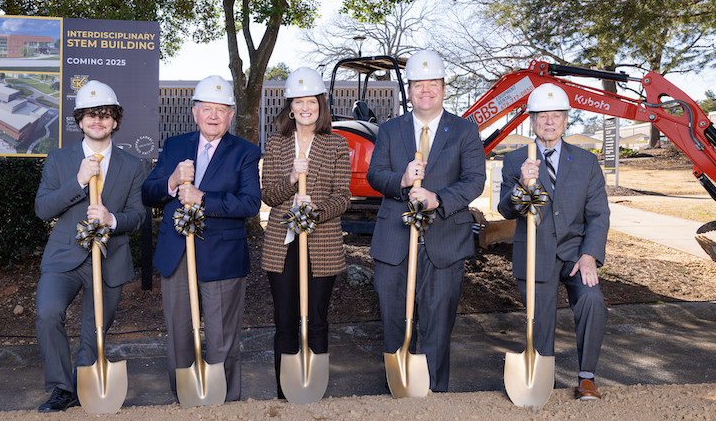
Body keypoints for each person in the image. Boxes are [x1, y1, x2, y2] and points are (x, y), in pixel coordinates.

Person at [367, 49, 487, 393]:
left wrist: (438, 198)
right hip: (395, 243)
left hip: (444, 244)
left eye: (432, 84)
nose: (425, 91)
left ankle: (435, 395)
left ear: (444, 88)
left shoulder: (464, 130)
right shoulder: (390, 130)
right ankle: (399, 387)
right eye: (418, 85)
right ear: (408, 91)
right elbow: (376, 175)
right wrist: (402, 180)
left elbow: (474, 179)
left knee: (437, 325)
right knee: (393, 321)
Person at [142, 75, 261, 403]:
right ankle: (184, 397)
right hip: (177, 254)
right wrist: (171, 181)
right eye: (206, 109)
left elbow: (250, 202)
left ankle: (225, 399)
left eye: (220, 110)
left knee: (223, 336)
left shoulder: (246, 152)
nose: (213, 116)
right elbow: (148, 193)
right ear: (194, 113)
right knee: (180, 332)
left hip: (222, 257)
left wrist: (202, 198)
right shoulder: (174, 145)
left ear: (230, 115)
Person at [33, 80, 148, 412]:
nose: (97, 121)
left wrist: (112, 219)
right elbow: (43, 209)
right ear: (79, 121)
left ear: (115, 121)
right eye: (90, 115)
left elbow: (138, 216)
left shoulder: (132, 165)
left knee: (94, 328)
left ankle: (84, 381)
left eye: (105, 115)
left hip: (109, 258)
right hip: (64, 257)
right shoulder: (59, 159)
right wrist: (79, 181)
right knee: (48, 312)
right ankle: (60, 387)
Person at [497, 82, 610, 400]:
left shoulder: (586, 162)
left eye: (556, 116)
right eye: (542, 116)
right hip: (536, 251)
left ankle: (586, 377)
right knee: (540, 317)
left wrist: (590, 255)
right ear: (532, 121)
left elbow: (598, 215)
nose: (549, 121)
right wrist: (523, 183)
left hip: (576, 253)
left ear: (565, 120)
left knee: (592, 300)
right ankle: (540, 378)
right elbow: (506, 209)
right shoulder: (515, 160)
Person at [260, 67, 351, 399]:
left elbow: (343, 196)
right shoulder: (276, 143)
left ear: (321, 105)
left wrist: (314, 211)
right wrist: (290, 179)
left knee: (316, 320)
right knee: (285, 320)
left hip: (322, 245)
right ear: (289, 107)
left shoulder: (336, 144)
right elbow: (268, 195)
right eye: (298, 102)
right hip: (281, 247)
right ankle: (285, 391)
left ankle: (313, 388)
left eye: (310, 101)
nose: (304, 108)